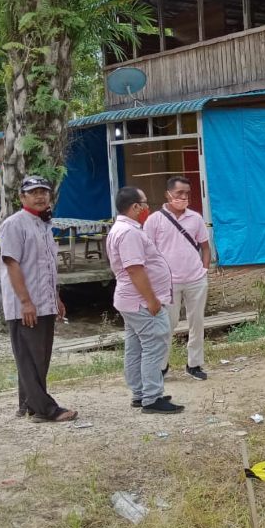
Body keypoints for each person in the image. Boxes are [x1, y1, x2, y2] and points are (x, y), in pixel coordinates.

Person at [0, 175, 77, 423]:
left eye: (44, 191)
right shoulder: (14, 224)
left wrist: (56, 298)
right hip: (26, 304)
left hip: (45, 302)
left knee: (39, 356)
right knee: (30, 357)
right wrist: (25, 302)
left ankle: (26, 404)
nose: (40, 196)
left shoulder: (44, 225)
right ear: (22, 197)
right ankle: (44, 410)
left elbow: (47, 267)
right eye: (33, 192)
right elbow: (12, 264)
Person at [107, 186, 184, 414]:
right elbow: (135, 269)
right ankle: (152, 397)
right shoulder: (129, 233)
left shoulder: (122, 228)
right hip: (140, 302)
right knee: (154, 345)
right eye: (144, 203)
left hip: (130, 300)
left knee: (136, 347)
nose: (147, 207)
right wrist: (152, 300)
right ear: (135, 207)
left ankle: (140, 393)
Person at [143, 176, 211, 381]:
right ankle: (161, 366)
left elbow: (205, 248)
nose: (183, 197)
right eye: (179, 193)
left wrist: (204, 270)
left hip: (196, 279)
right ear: (168, 194)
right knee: (167, 325)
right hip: (168, 283)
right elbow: (147, 252)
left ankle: (195, 364)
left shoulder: (195, 218)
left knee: (197, 323)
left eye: (187, 194)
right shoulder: (155, 220)